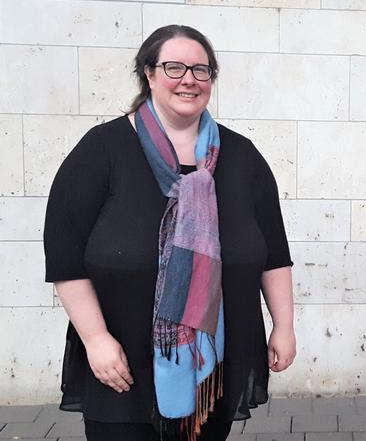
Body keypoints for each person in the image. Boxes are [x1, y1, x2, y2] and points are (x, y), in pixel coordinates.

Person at [44, 24, 296, 441]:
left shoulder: (242, 156)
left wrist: (284, 326)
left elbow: (274, 254)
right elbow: (65, 258)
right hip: (122, 364)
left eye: (202, 70)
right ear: (148, 73)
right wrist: (96, 339)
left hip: (212, 367)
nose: (189, 80)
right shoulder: (102, 149)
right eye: (174, 67)